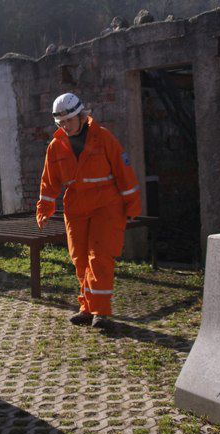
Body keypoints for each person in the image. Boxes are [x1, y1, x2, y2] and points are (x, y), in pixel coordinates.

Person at [36, 93, 141, 328]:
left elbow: (123, 172)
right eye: (60, 123)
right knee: (80, 258)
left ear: (81, 117)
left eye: (68, 121)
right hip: (76, 207)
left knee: (100, 257)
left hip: (107, 205)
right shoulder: (56, 146)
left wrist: (132, 204)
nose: (65, 126)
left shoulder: (103, 138)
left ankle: (101, 311)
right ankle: (86, 307)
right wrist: (44, 208)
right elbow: (49, 181)